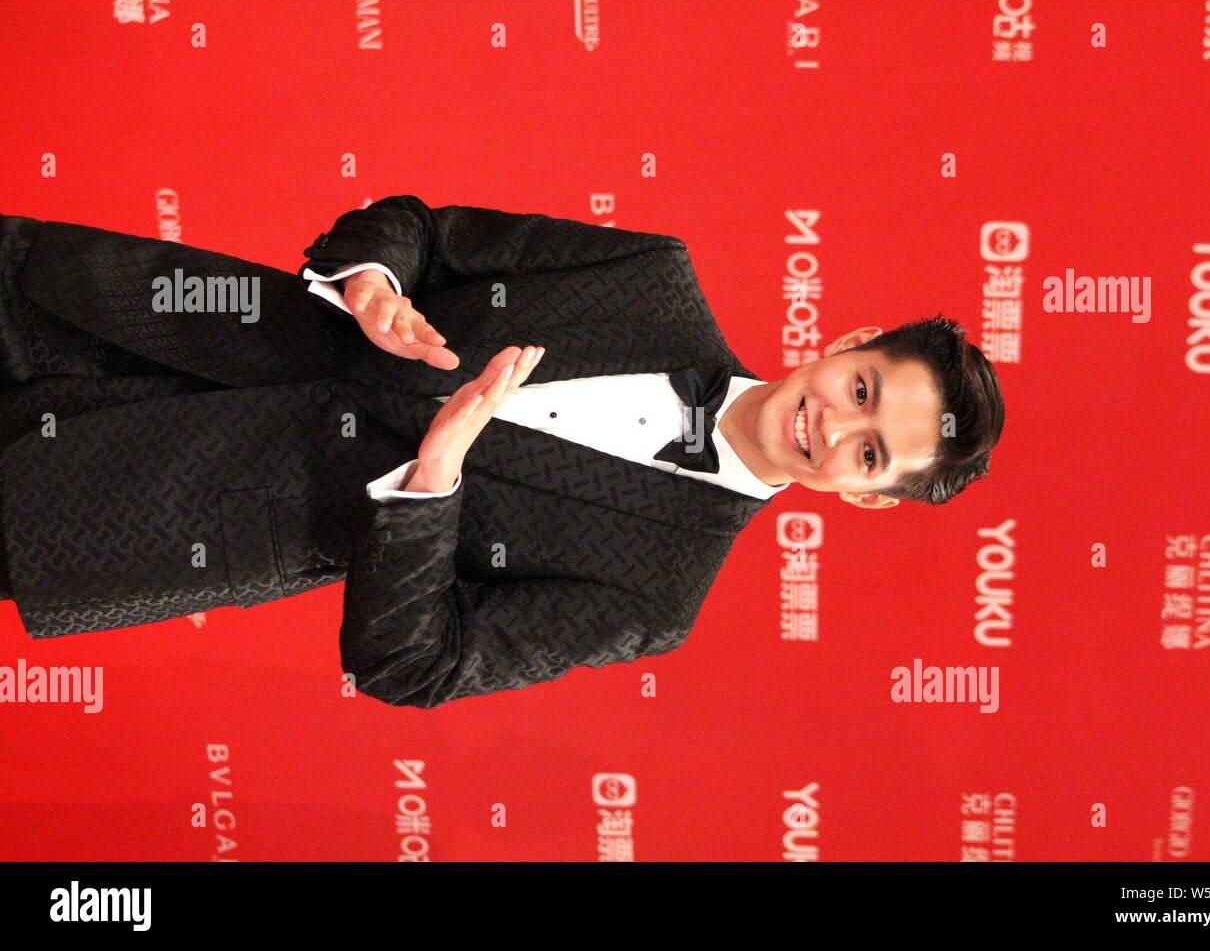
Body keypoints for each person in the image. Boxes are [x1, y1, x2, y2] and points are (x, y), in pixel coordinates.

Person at [0, 196, 1005, 708]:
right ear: (845, 343)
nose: (833, 425)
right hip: (135, 311)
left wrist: (430, 482)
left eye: (869, 454)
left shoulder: (657, 594)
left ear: (866, 498)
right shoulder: (648, 275)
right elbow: (424, 232)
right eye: (863, 390)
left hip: (141, 506)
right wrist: (374, 281)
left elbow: (413, 663)